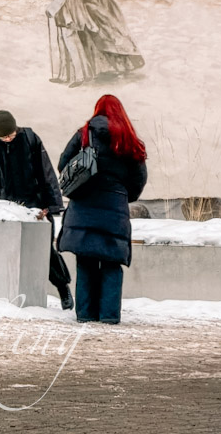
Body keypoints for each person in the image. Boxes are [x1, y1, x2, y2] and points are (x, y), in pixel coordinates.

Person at [57, 95, 148, 324]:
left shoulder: (84, 134)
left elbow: (63, 164)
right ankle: (109, 316)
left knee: (85, 261)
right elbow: (139, 178)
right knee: (111, 263)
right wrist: (123, 195)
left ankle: (85, 315)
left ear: (97, 110)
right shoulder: (128, 138)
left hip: (84, 205)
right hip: (114, 208)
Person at [0, 110, 73, 310]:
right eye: (3, 136)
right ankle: (12, 293)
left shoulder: (30, 139)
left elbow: (46, 173)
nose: (7, 139)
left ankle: (63, 288)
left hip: (36, 206)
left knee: (45, 250)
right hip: (9, 208)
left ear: (16, 128)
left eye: (10, 134)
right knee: (12, 251)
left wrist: (49, 206)